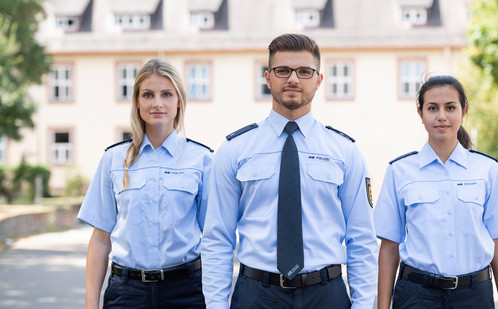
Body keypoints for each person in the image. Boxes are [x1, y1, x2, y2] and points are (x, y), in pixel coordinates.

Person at [201, 33, 378, 309]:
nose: (293, 79)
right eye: (283, 71)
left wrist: (363, 305)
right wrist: (215, 305)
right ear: (268, 77)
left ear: (319, 80)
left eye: (304, 71)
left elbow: (362, 239)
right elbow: (217, 238)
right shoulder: (235, 149)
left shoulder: (345, 151)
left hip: (326, 295)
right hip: (256, 295)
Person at [374, 75, 498, 309]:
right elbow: (389, 248)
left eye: (450, 107)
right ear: (420, 113)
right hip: (416, 296)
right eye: (433, 108)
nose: (441, 116)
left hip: (474, 297)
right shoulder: (400, 171)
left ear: (463, 112)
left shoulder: (487, 170)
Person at [77, 58, 213, 309]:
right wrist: (90, 303)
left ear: (179, 101)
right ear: (138, 102)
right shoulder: (114, 159)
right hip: (126, 293)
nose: (157, 103)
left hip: (186, 291)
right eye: (148, 95)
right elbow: (100, 239)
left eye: (166, 94)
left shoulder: (202, 159)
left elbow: (215, 237)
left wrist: (217, 299)